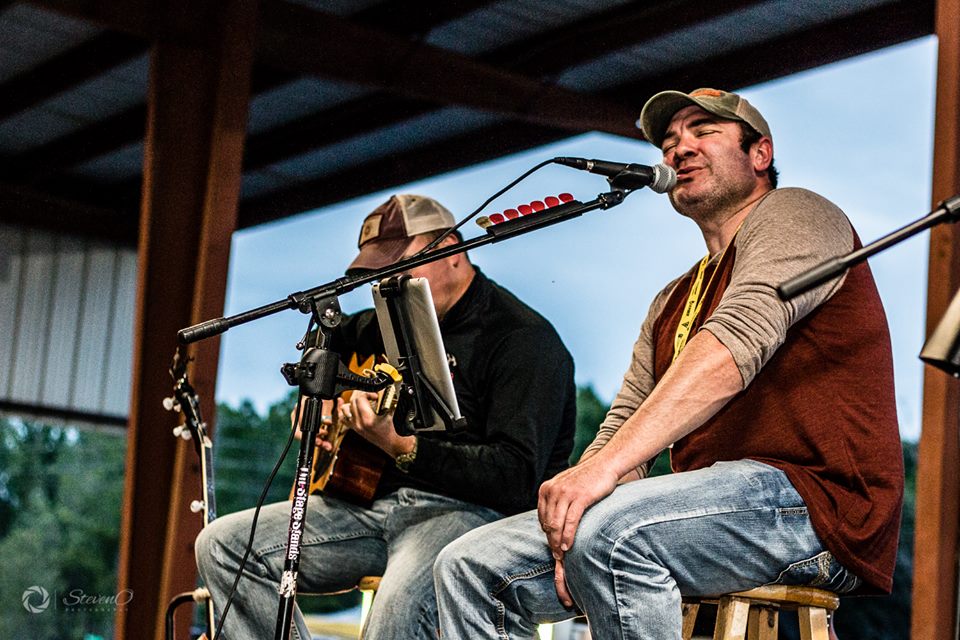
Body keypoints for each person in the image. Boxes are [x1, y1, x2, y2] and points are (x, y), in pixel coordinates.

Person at [434, 88, 904, 639]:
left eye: (703, 131)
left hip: (815, 503)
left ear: (760, 154)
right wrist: (573, 513)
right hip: (706, 509)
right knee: (467, 567)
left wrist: (598, 487)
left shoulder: (799, 212)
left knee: (613, 532)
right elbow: (624, 425)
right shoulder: (671, 299)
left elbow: (734, 346)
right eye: (668, 140)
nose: (678, 148)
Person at [196, 194, 577, 639]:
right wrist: (316, 402)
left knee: (397, 610)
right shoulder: (389, 317)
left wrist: (401, 447)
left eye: (401, 265)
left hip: (468, 516)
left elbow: (516, 478)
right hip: (367, 507)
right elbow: (333, 337)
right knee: (224, 546)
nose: (390, 281)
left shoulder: (521, 340)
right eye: (382, 271)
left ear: (451, 250)